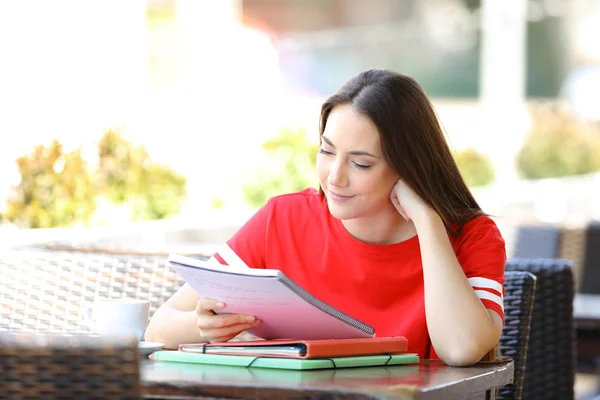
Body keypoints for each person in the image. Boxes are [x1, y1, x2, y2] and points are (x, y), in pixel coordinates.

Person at [145, 69, 506, 366]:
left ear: (408, 167)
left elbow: (460, 349)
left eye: (361, 163)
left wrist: (428, 222)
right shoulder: (283, 219)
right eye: (327, 151)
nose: (335, 177)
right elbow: (158, 329)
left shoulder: (472, 236)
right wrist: (204, 326)